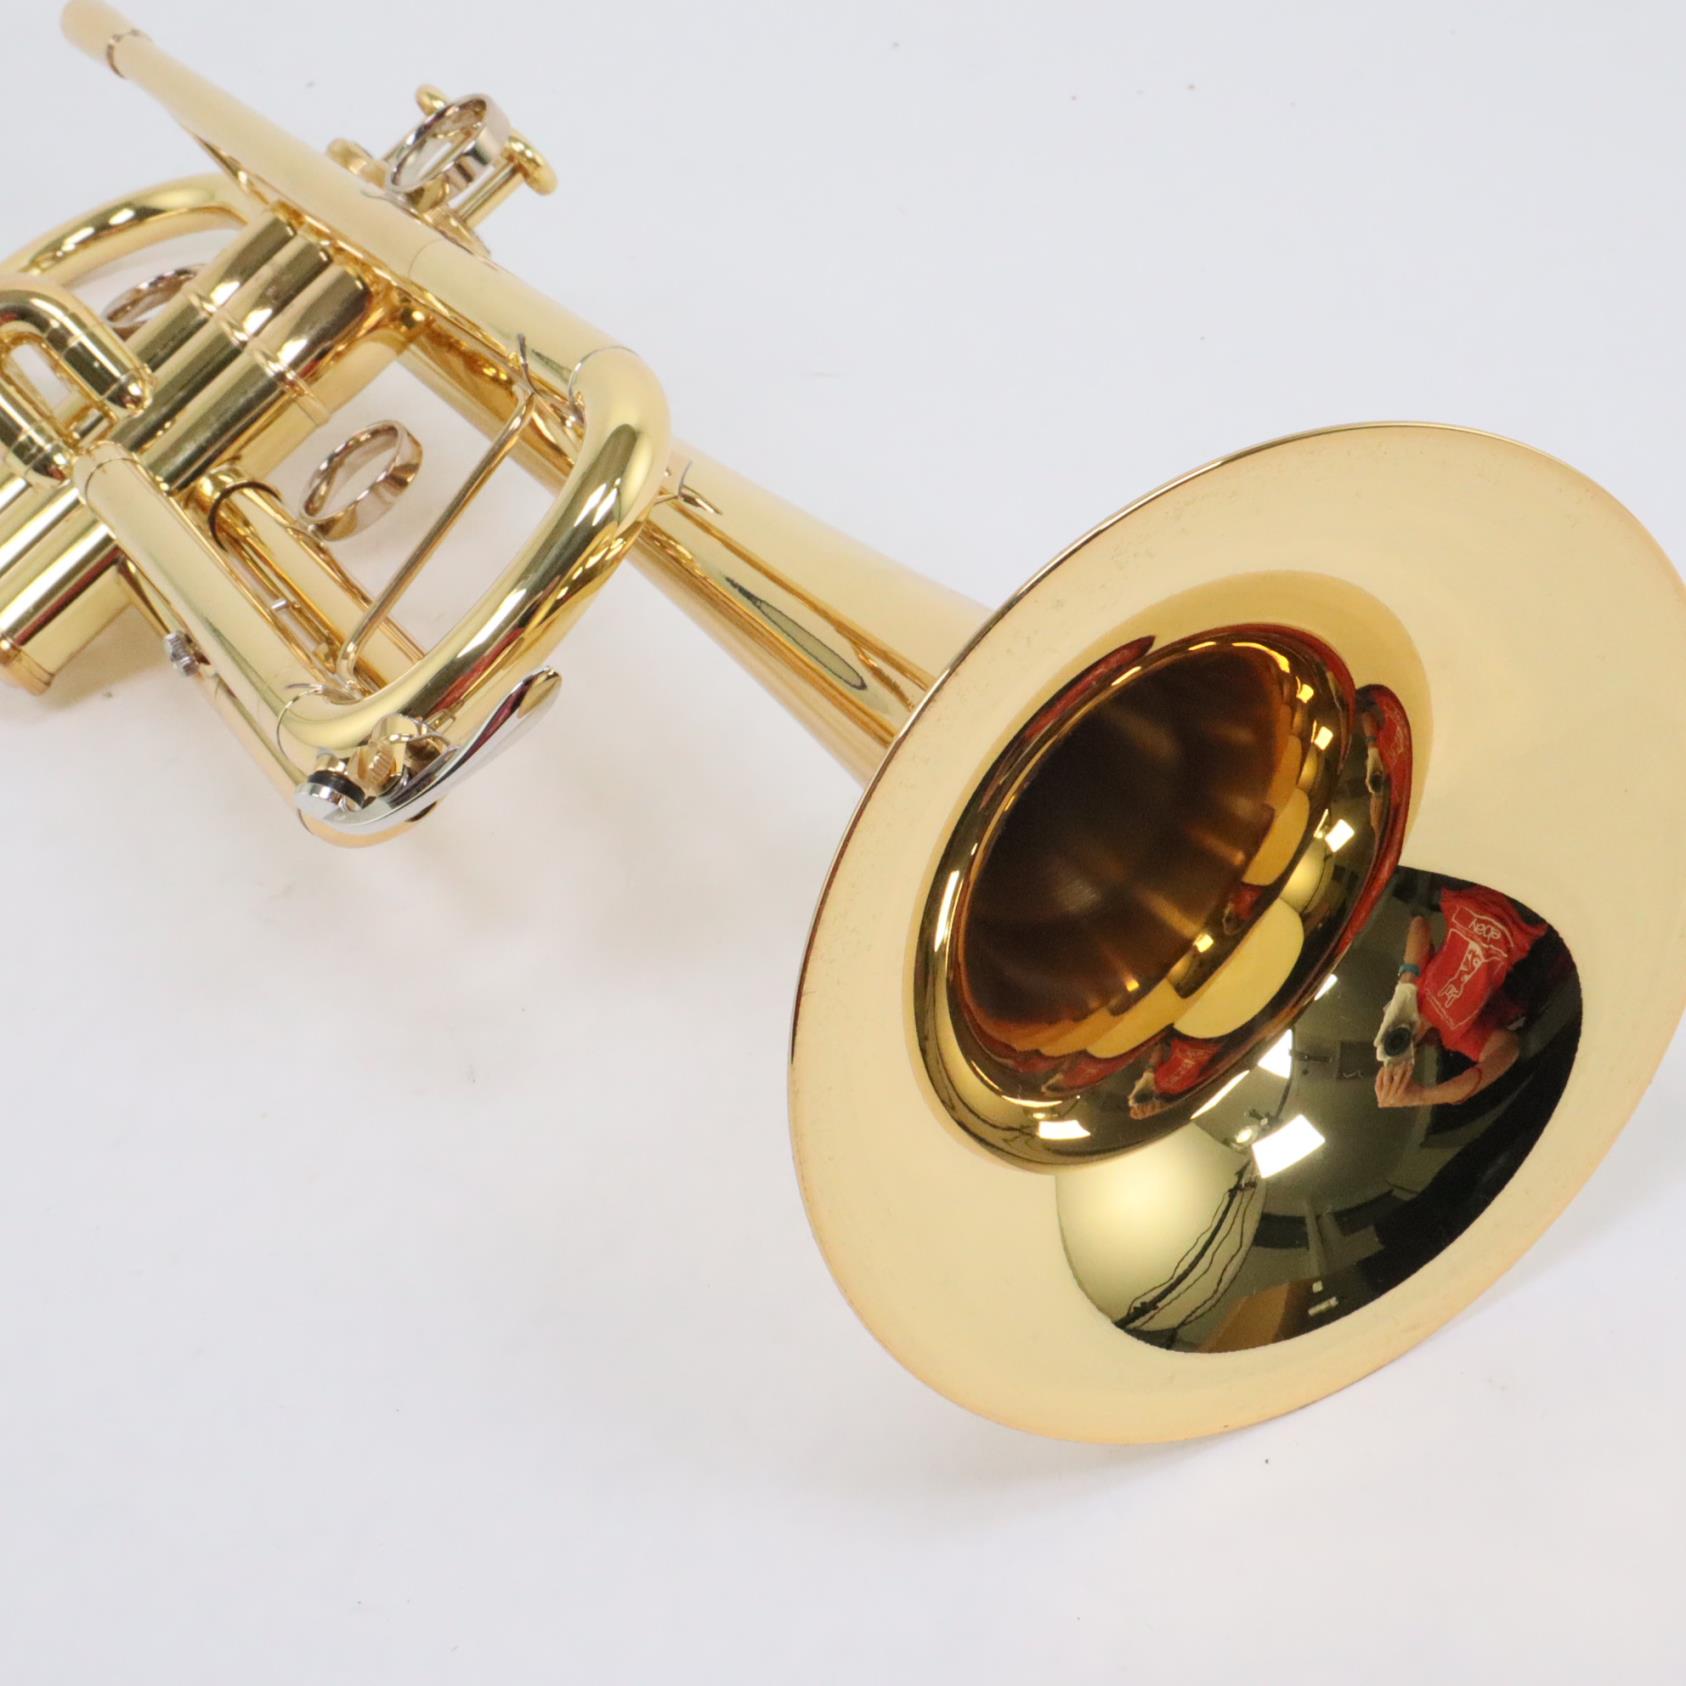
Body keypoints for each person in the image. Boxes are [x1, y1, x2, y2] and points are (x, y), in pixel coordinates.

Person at [1373, 883, 1547, 1110]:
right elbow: (1508, 1050)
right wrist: (1420, 1096)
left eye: (1391, 1042)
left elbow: (1419, 924)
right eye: (1397, 1053)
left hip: (1469, 890)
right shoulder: (1459, 1038)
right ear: (1412, 1061)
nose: (1400, 1043)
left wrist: (1405, 988)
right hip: (1518, 920)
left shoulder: (1412, 997)